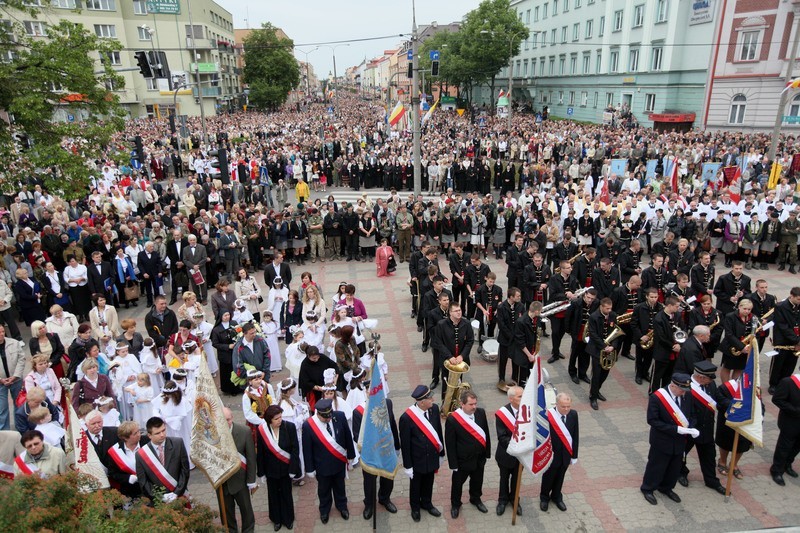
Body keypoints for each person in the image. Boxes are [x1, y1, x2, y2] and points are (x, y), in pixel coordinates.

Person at [640, 373, 698, 505]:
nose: (684, 393)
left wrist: (692, 427)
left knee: (674, 467)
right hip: (662, 440)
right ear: (673, 385)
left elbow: (692, 414)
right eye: (681, 390)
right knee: (656, 466)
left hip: (680, 440)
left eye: (685, 390)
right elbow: (653, 420)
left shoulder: (686, 394)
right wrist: (676, 429)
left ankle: (666, 488)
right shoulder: (657, 397)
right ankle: (648, 488)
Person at [302, 397, 356, 524]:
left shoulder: (340, 416)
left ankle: (342, 506)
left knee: (340, 487)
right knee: (324, 490)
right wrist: (309, 469)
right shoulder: (309, 425)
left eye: (330, 415)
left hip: (338, 463)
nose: (328, 419)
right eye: (325, 417)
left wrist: (351, 455)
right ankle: (324, 510)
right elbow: (307, 449)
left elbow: (348, 436)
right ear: (318, 414)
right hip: (322, 466)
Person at [351, 387, 399, 520]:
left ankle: (384, 499)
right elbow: (356, 436)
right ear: (366, 392)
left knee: (388, 477)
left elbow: (392, 425)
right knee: (369, 481)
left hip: (386, 449)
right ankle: (369, 504)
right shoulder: (358, 412)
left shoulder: (387, 403)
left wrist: (397, 446)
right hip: (370, 452)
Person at [678, 361, 726, 494]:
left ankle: (711, 481)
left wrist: (731, 406)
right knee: (681, 454)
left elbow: (717, 400)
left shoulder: (710, 384)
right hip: (691, 430)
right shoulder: (685, 387)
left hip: (707, 429)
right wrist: (691, 428)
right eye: (709, 379)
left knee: (709, 456)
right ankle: (681, 473)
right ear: (701, 377)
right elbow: (683, 411)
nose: (710, 382)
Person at [399, 384, 444, 522]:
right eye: (430, 398)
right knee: (416, 485)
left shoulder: (434, 409)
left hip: (431, 456)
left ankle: (427, 503)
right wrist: (408, 466)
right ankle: (415, 507)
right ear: (422, 402)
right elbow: (405, 445)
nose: (433, 400)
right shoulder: (407, 418)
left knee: (429, 481)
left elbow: (438, 431)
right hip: (417, 459)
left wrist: (441, 453)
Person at [445, 390, 491, 518]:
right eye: (471, 404)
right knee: (457, 484)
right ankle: (455, 504)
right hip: (462, 461)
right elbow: (450, 444)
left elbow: (485, 433)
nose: (474, 407)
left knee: (477, 481)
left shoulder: (480, 413)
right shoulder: (453, 419)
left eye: (475, 403)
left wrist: (486, 454)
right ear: (462, 404)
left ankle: (475, 499)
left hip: (478, 458)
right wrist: (453, 464)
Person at [257, 404, 300, 531]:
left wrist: (293, 469)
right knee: (273, 495)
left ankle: (288, 519)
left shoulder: (290, 427)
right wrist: (261, 473)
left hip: (286, 469)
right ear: (269, 420)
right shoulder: (262, 430)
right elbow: (260, 452)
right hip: (271, 471)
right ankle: (276, 520)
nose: (280, 420)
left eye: (280, 417)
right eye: (276, 419)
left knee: (286, 494)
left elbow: (295, 449)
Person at [218, 407, 257, 533]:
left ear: (232, 418)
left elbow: (251, 458)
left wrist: (251, 480)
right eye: (223, 420)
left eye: (228, 419)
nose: (226, 422)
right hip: (222, 483)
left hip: (241, 481)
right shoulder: (212, 434)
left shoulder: (244, 431)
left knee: (246, 512)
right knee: (227, 515)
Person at [136, 416, 190, 503]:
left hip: (180, 495)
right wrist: (160, 497)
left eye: (163, 430)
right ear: (149, 435)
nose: (162, 435)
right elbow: (143, 482)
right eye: (157, 433)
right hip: (158, 502)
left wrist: (177, 492)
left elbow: (185, 470)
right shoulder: (141, 454)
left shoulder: (178, 443)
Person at [540, 392, 580, 512]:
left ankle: (557, 496)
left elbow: (575, 436)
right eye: (563, 406)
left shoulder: (573, 415)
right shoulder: (548, 416)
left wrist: (574, 456)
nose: (566, 409)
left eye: (568, 406)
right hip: (551, 455)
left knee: (560, 477)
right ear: (556, 404)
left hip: (565, 455)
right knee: (548, 477)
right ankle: (544, 498)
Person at [432, 303, 474, 401]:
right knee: (446, 382)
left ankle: (456, 401)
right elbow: (438, 342)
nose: (459, 312)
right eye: (456, 311)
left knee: (459, 382)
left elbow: (470, 341)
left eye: (459, 310)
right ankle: (445, 403)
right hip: (447, 361)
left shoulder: (466, 323)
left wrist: (462, 356)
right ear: (450, 312)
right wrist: (449, 356)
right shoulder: (441, 324)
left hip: (460, 361)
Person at [587, 298, 620, 411]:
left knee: (605, 372)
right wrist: (604, 346)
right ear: (601, 306)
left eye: (610, 308)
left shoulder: (613, 315)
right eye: (607, 308)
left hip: (609, 349)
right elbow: (593, 334)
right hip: (597, 349)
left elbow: (616, 331)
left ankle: (596, 390)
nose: (609, 310)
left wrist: (613, 346)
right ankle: (593, 397)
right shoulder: (594, 317)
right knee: (596, 374)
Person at [495, 385, 522, 516]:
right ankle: (502, 500)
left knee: (517, 479)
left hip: (521, 457)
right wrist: (517, 446)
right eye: (520, 396)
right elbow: (501, 437)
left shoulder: (527, 411)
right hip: (506, 455)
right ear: (511, 399)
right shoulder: (502, 414)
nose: (523, 398)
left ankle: (515, 499)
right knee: (504, 479)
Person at [770, 372, 800, 486]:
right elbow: (777, 399)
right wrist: (796, 410)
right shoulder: (788, 382)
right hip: (790, 421)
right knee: (784, 446)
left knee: (797, 446)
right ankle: (776, 470)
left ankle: (788, 464)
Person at [106, 421, 149, 500]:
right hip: (129, 491)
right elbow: (113, 473)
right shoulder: (115, 451)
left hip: (149, 487)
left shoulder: (147, 442)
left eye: (139, 431)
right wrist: (128, 478)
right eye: (135, 433)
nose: (139, 434)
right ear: (125, 438)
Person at [769, 287, 800, 394]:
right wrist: (797, 340)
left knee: (790, 364)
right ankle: (773, 384)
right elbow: (783, 326)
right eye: (798, 299)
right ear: (791, 296)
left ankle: (784, 384)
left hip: (796, 341)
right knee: (778, 364)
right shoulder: (780, 306)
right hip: (783, 341)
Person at [650, 297, 684, 395]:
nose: (678, 308)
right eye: (677, 306)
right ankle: (654, 394)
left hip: (675, 351)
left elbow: (682, 329)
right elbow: (661, 337)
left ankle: (665, 393)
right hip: (662, 351)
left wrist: (680, 343)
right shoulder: (659, 318)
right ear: (669, 306)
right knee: (657, 375)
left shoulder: (677, 315)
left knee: (669, 375)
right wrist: (673, 346)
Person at [511, 302, 543, 387]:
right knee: (521, 376)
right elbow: (520, 341)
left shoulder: (537, 318)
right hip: (522, 353)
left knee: (530, 372)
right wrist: (529, 355)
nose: (541, 312)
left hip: (532, 351)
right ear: (536, 311)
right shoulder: (521, 322)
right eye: (540, 310)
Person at [0, 328, 26, 430]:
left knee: (19, 405)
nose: (2, 334)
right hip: (1, 383)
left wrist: (16, 375)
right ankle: (4, 433)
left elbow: (21, 359)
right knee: (2, 409)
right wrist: (1, 379)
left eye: (2, 331)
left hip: (16, 379)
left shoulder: (14, 343)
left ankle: (20, 429)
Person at [211, 311, 239, 395]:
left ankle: (239, 387)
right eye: (225, 315)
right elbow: (215, 343)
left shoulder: (234, 323)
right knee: (227, 372)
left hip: (235, 352)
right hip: (225, 354)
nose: (227, 317)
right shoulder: (216, 329)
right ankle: (230, 389)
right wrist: (227, 346)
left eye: (228, 315)